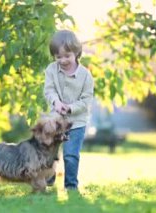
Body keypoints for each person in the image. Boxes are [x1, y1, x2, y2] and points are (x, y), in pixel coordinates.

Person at [44, 30, 94, 190]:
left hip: (76, 122)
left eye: (67, 56)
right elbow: (49, 90)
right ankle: (49, 178)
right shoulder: (51, 70)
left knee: (71, 155)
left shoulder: (86, 75)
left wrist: (70, 108)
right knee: (49, 152)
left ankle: (71, 185)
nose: (63, 60)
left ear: (76, 53)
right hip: (55, 120)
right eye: (58, 57)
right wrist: (56, 102)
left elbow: (86, 100)